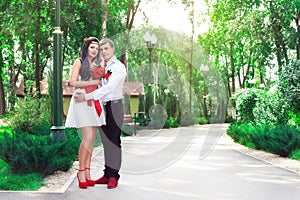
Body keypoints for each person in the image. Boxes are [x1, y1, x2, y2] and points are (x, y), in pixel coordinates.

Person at [74, 38, 127, 189]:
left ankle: (114, 176)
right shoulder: (102, 67)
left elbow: (109, 88)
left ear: (113, 50)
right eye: (101, 49)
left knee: (114, 142)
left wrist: (88, 96)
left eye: (106, 49)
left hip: (114, 106)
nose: (103, 52)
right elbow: (95, 82)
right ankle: (107, 174)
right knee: (105, 142)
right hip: (101, 107)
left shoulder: (118, 67)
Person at [65, 37, 106, 189]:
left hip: (93, 101)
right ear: (86, 47)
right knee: (87, 137)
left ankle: (87, 172)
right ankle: (80, 171)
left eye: (97, 48)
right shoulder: (79, 62)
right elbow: (72, 82)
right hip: (81, 100)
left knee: (91, 139)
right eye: (92, 47)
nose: (94, 50)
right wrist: (92, 82)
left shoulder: (96, 65)